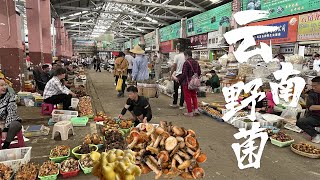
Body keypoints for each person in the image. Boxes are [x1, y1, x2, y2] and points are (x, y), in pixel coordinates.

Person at [175, 50, 201, 117]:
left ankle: (190, 112)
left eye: (184, 56)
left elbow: (184, 74)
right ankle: (196, 110)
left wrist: (179, 80)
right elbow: (199, 72)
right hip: (194, 83)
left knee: (188, 97)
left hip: (187, 83)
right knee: (194, 96)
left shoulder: (186, 63)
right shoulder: (196, 62)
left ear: (186, 55)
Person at [297, 76, 320, 143]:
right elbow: (311, 107)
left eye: (315, 86)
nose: (313, 88)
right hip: (316, 117)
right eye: (312, 86)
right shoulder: (312, 94)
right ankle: (315, 135)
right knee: (300, 122)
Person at [0, 78, 22, 149]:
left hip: (10, 121)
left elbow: (11, 113)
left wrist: (5, 129)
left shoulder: (10, 97)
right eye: (1, 85)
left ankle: (6, 145)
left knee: (15, 125)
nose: (4, 87)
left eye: (4, 85)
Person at [170, 44, 185, 109]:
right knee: (183, 91)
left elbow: (174, 66)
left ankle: (174, 103)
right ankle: (181, 105)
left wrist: (171, 74)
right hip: (184, 75)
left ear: (178, 49)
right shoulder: (185, 56)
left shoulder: (177, 56)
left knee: (175, 90)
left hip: (177, 75)